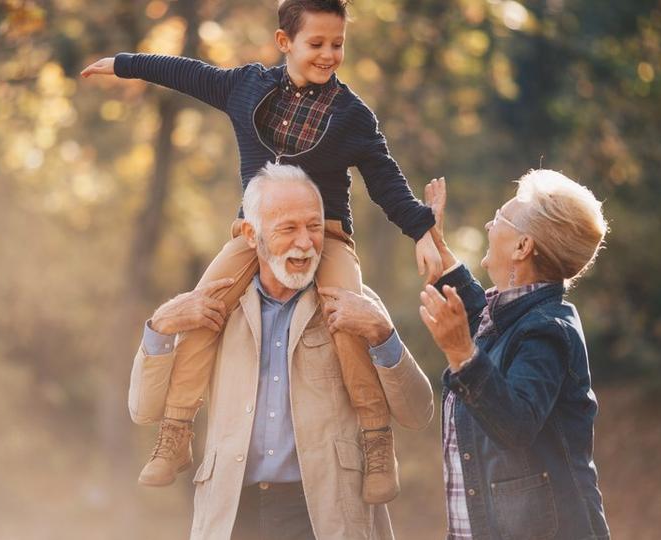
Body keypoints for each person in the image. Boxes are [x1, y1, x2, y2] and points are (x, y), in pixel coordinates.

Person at [83, 0, 440, 502]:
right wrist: (124, 63)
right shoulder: (246, 87)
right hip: (255, 232)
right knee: (204, 307)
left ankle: (376, 439)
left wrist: (421, 229)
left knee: (347, 317)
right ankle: (177, 431)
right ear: (284, 42)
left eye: (337, 44)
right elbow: (184, 72)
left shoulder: (352, 116)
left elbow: (386, 181)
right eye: (316, 43)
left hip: (325, 234)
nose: (328, 54)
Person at [128, 164, 435, 539]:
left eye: (314, 226)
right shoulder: (217, 309)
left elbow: (418, 412)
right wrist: (161, 325)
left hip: (326, 517)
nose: (305, 242)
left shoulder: (354, 302)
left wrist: (383, 334)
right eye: (288, 228)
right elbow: (143, 409)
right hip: (231, 516)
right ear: (250, 234)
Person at [417, 172, 611, 539]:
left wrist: (462, 353)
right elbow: (479, 313)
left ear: (522, 246)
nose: (489, 225)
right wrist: (437, 245)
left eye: (499, 217)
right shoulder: (509, 319)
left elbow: (516, 422)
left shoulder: (548, 331)